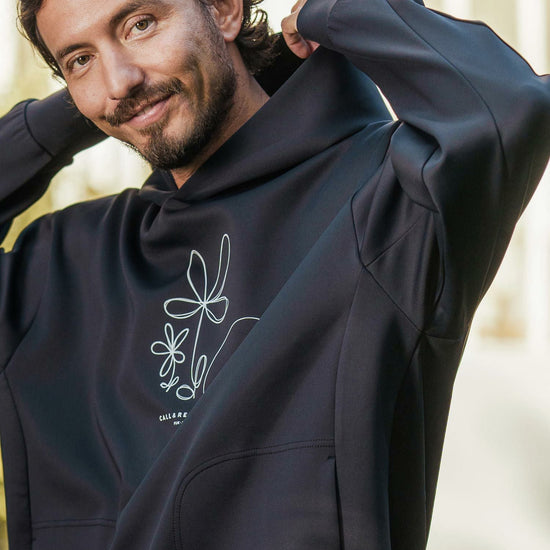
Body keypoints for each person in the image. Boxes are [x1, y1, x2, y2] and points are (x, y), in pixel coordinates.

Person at [0, 0, 548, 548]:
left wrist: (335, 13)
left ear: (223, 11)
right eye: (78, 59)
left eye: (140, 24)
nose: (118, 81)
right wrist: (78, 114)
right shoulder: (63, 261)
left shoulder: (386, 197)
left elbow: (506, 107)